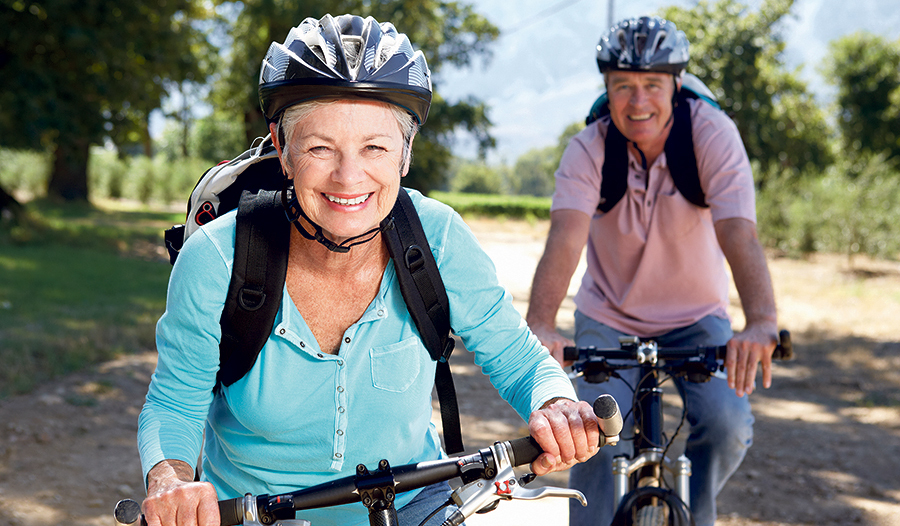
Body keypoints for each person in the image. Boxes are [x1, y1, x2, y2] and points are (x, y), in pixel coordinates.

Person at [138, 14, 606, 526]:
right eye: (320, 147)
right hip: (260, 516)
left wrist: (557, 402)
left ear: (405, 153)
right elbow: (176, 401)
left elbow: (517, 358)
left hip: (412, 505)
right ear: (282, 147)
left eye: (375, 147)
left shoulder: (438, 236)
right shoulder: (219, 257)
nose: (349, 177)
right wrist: (171, 479)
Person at [525, 16, 779, 526]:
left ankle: (696, 515)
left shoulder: (712, 135)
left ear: (676, 86)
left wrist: (761, 322)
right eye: (623, 86)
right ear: (607, 89)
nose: (637, 101)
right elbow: (566, 237)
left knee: (726, 425)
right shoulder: (589, 147)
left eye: (651, 86)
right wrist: (541, 323)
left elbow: (739, 234)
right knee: (591, 432)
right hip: (609, 319)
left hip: (697, 318)